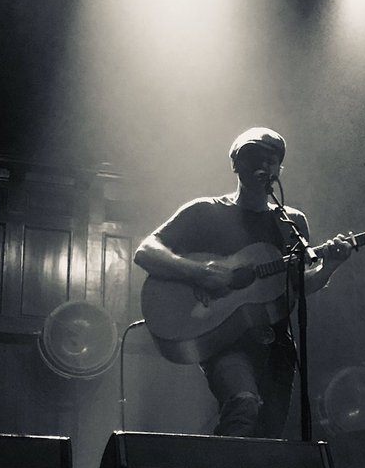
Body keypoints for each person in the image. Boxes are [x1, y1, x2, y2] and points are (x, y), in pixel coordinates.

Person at [134, 126, 353, 441]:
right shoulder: (205, 211)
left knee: (270, 434)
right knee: (243, 404)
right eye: (252, 156)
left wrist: (330, 265)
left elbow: (296, 285)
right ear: (234, 164)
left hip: (276, 344)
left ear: (279, 169)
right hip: (223, 341)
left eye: (271, 159)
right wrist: (199, 273)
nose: (262, 165)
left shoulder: (291, 222)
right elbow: (146, 251)